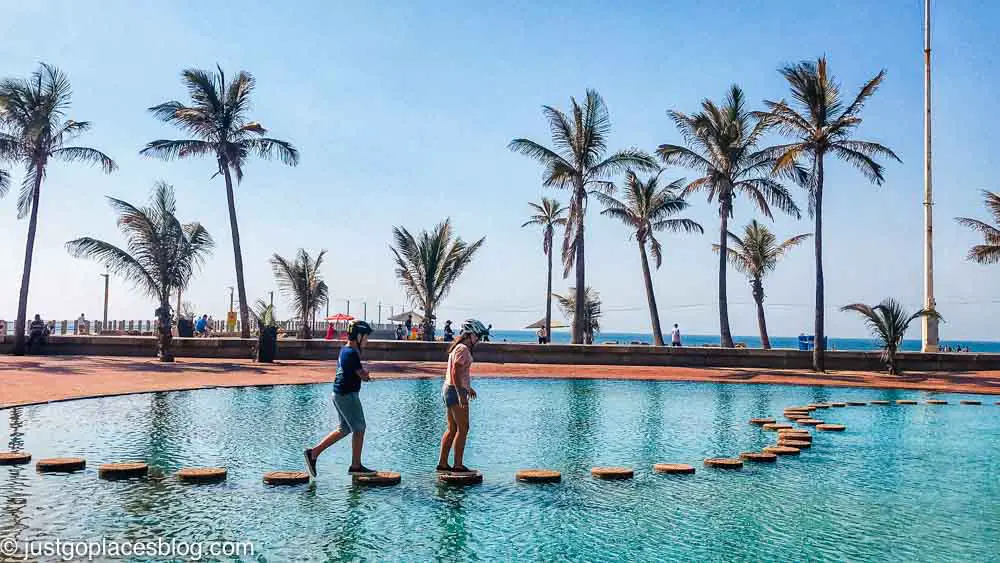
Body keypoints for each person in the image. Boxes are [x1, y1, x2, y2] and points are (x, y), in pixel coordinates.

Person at [304, 320, 376, 480]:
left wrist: (364, 374)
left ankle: (313, 453)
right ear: (359, 336)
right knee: (359, 427)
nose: (367, 341)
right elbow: (361, 375)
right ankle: (356, 466)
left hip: (339, 394)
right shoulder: (351, 353)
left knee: (344, 428)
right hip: (347, 395)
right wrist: (367, 375)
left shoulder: (345, 350)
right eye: (366, 337)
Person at [437, 319, 489, 473]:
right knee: (463, 428)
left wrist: (468, 387)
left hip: (449, 389)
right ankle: (458, 465)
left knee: (452, 428)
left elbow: (459, 373)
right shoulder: (463, 349)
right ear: (470, 334)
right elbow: (455, 371)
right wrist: (461, 393)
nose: (479, 339)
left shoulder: (458, 348)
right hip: (455, 390)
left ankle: (443, 463)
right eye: (477, 336)